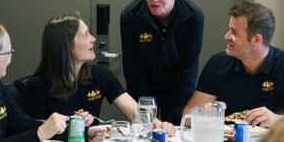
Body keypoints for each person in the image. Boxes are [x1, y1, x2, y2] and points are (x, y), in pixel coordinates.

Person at [22, 13, 176, 137]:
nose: (93, 39)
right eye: (85, 35)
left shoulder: (100, 75)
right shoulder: (37, 86)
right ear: (66, 45)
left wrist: (158, 124)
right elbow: (38, 136)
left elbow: (136, 112)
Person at [120, 0, 205, 125]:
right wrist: (147, 116)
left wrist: (172, 119)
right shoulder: (130, 16)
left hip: (178, 89)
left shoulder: (194, 18)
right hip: (143, 89)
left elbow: (187, 71)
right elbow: (133, 70)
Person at [183, 1, 284, 128]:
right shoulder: (218, 64)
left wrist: (276, 120)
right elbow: (187, 116)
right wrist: (203, 115)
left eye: (234, 32)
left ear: (256, 40)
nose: (226, 36)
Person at [0, 20, 69, 141]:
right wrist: (41, 133)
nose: (10, 58)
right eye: (8, 53)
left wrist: (80, 130)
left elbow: (22, 125)